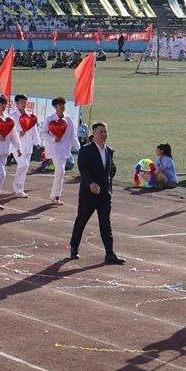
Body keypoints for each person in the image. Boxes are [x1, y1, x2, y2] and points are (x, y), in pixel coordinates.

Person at [69, 122, 124, 264]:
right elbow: (83, 169)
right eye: (101, 131)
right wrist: (91, 183)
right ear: (93, 134)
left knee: (106, 223)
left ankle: (109, 253)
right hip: (88, 194)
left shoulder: (109, 151)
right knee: (82, 220)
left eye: (105, 131)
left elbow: (112, 168)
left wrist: (108, 181)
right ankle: (74, 247)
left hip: (104, 194)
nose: (104, 134)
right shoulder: (85, 150)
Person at [41, 96, 78, 205]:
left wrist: (79, 148)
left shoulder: (68, 119)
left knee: (61, 172)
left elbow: (73, 135)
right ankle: (55, 195)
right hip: (54, 150)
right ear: (55, 106)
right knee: (60, 171)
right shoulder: (49, 119)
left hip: (65, 150)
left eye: (63, 104)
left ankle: (56, 196)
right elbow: (42, 133)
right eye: (60, 105)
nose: (62, 107)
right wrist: (53, 138)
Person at [10, 94, 39, 198]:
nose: (24, 104)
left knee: (24, 168)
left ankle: (20, 189)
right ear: (16, 103)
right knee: (24, 165)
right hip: (17, 146)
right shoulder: (12, 116)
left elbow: (34, 130)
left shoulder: (30, 115)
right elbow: (10, 130)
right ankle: (17, 187)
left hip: (28, 146)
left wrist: (37, 142)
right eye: (21, 102)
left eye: (25, 102)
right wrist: (19, 132)